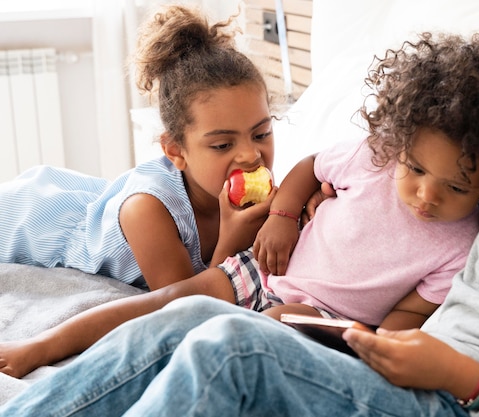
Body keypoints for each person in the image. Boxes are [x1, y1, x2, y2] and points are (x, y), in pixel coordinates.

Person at [2, 31, 479, 417]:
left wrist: (467, 378)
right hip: (396, 375)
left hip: (454, 402)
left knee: (232, 349)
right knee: (193, 315)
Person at [0, 4, 275, 291]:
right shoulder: (147, 210)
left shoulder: (255, 192)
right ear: (176, 151)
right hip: (27, 219)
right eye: (222, 145)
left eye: (261, 134)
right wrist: (231, 240)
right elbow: (188, 305)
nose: (250, 155)